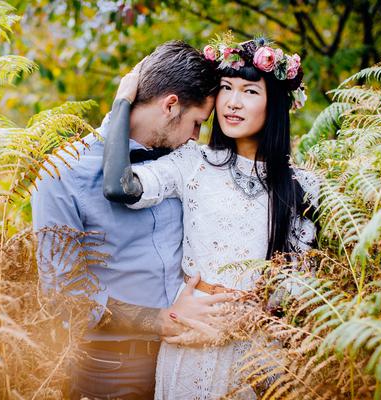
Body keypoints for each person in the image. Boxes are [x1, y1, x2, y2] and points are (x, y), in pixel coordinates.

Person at [103, 35, 319, 399]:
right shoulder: (193, 162)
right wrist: (122, 102)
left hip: (260, 353)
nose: (233, 103)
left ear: (275, 104)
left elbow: (303, 285)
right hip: (191, 340)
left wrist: (244, 320)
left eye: (250, 91)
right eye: (226, 88)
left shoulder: (304, 185)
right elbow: (120, 187)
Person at [31, 40, 237, 400]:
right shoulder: (62, 173)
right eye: (196, 124)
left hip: (185, 364)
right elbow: (64, 296)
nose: (195, 137)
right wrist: (160, 319)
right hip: (111, 370)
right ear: (170, 105)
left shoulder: (183, 164)